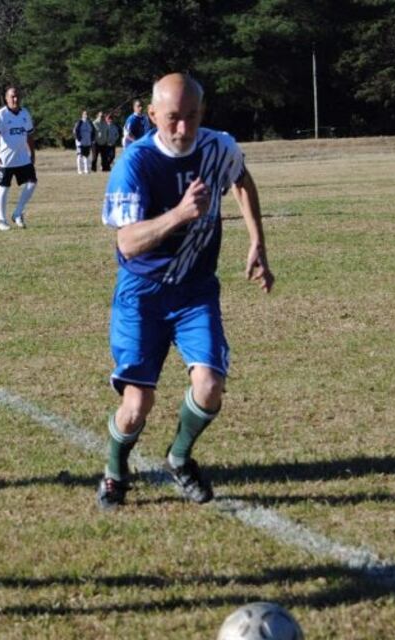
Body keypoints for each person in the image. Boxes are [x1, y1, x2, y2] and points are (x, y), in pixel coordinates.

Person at [97, 73, 274, 511]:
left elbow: (242, 180)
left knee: (210, 385)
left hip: (196, 292)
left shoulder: (218, 146)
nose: (182, 129)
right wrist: (178, 215)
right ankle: (115, 472)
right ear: (152, 114)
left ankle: (179, 458)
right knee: (137, 405)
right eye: (172, 118)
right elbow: (126, 242)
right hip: (142, 293)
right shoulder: (135, 163)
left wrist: (257, 241)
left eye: (191, 117)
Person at [0, 86, 37, 230]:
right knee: (3, 188)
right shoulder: (1, 115)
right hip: (5, 160)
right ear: (6, 98)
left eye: (17, 96)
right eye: (12, 97)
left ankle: (17, 213)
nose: (15, 99)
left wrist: (32, 154)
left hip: (22, 158)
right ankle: (2, 221)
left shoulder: (25, 114)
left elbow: (29, 135)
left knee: (32, 182)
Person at [73, 110, 93, 174]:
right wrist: (79, 139)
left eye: (87, 114)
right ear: (82, 115)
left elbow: (93, 131)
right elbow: (75, 131)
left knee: (86, 155)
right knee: (80, 155)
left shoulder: (89, 122)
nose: (86, 115)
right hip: (80, 142)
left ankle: (86, 169)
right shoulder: (79, 122)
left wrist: (92, 139)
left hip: (87, 141)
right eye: (84, 114)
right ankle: (79, 170)